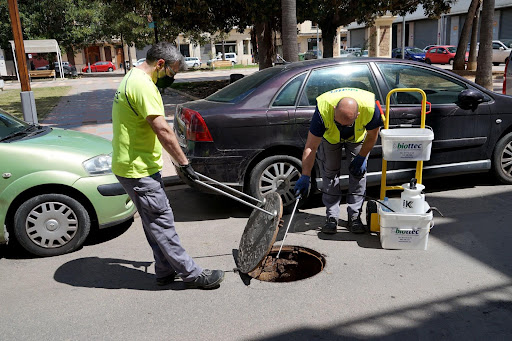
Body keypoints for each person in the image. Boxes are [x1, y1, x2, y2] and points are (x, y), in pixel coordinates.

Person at [111, 42, 225, 289]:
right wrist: (184, 163)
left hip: (130, 165)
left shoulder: (132, 76)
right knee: (162, 222)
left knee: (152, 222)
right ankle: (192, 274)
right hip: (138, 168)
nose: (173, 77)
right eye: (173, 72)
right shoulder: (144, 87)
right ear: (160, 64)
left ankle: (164, 270)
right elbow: (163, 129)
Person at [294, 88, 384, 234]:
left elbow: (373, 135)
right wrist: (305, 175)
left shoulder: (370, 108)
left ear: (358, 114)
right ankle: (332, 217)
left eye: (346, 124)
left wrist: (362, 156)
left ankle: (354, 217)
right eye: (338, 122)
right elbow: (311, 146)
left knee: (358, 174)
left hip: (357, 139)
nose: (341, 127)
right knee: (329, 174)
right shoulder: (323, 110)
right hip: (331, 139)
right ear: (334, 109)